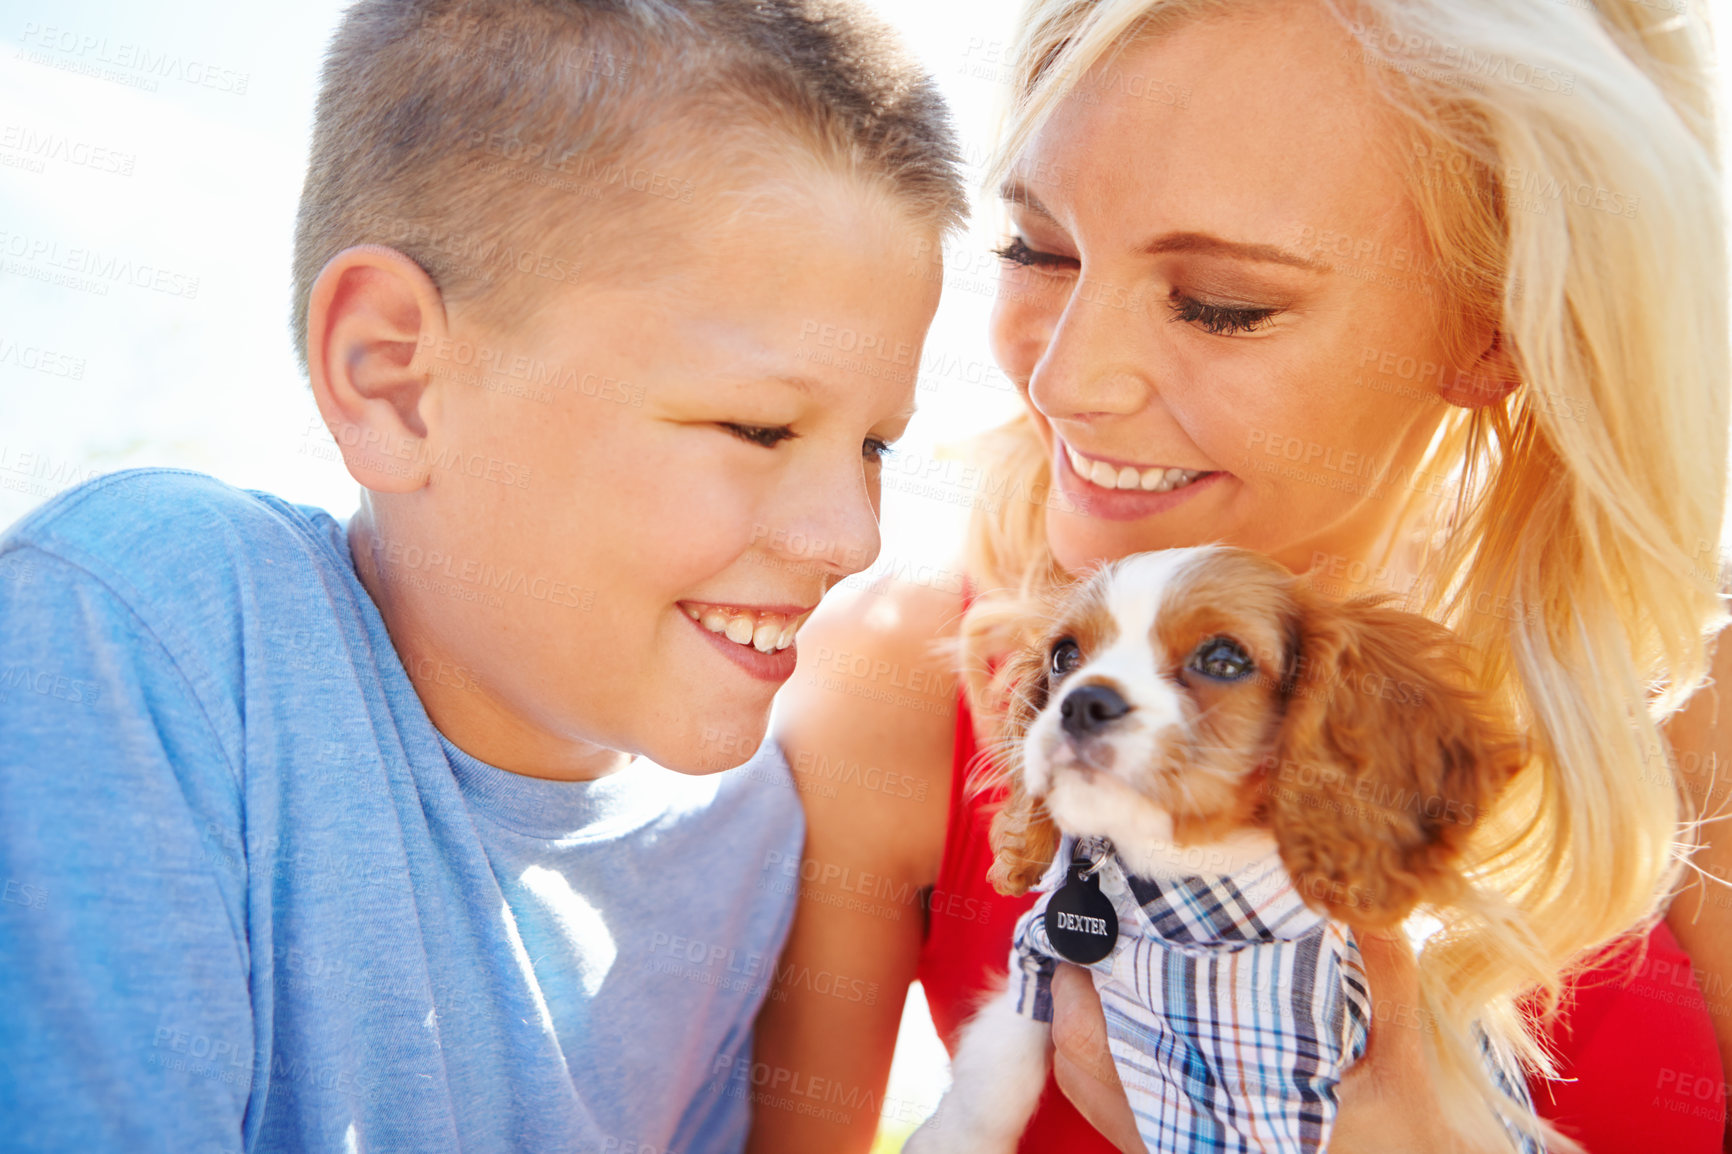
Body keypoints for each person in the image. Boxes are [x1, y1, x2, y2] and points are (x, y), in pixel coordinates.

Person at [751, 1, 1731, 1152]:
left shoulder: (1687, 702)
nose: (1067, 379)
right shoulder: (901, 678)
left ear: (1494, 330)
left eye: (1222, 302)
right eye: (1037, 248)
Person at [0, 1, 968, 1151]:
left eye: (875, 445)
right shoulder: (159, 627)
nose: (848, 537)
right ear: (397, 381)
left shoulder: (746, 830)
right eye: (756, 427)